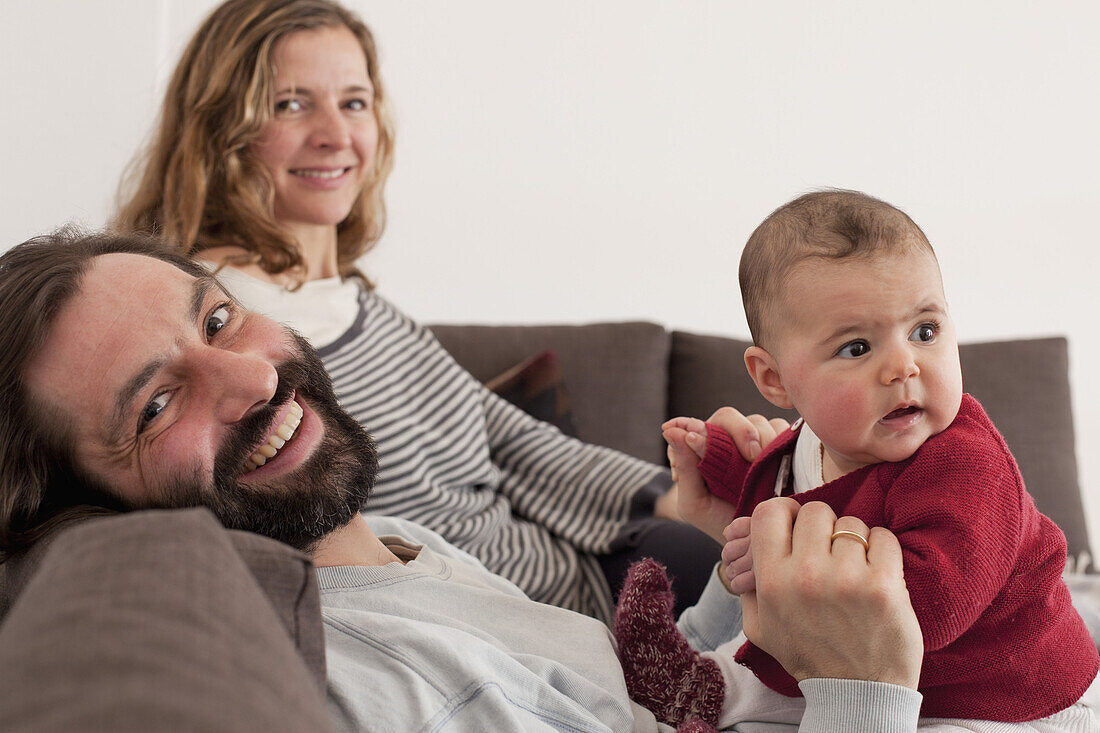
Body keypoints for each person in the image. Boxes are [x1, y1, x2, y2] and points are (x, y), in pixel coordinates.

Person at [0, 230, 927, 731]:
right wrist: (864, 693)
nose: (251, 377)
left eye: (217, 319)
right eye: (155, 407)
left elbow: (636, 703)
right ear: (86, 509)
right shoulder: (385, 690)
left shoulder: (394, 540)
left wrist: (739, 552)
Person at [112, 0, 716, 623]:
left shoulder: (352, 299)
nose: (335, 134)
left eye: (353, 102)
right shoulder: (231, 322)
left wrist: (678, 497)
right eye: (289, 104)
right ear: (222, 128)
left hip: (589, 569)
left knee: (741, 542)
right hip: (512, 615)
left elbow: (509, 438)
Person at [616, 190, 1099, 729]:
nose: (903, 366)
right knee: (756, 680)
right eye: (857, 348)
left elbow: (931, 608)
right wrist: (724, 463)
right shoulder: (813, 439)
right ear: (774, 379)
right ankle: (689, 683)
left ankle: (701, 690)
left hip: (1008, 692)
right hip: (877, 672)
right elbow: (777, 487)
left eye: (925, 332)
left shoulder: (968, 467)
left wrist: (781, 563)